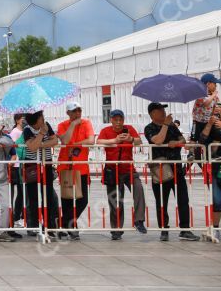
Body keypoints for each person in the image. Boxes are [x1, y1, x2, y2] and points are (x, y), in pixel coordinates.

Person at [143, 102, 199, 241]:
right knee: (162, 201)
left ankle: (185, 229)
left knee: (183, 199)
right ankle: (164, 229)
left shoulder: (173, 126)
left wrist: (176, 141)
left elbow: (182, 140)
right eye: (160, 110)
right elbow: (157, 140)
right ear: (153, 114)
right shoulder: (149, 128)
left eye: (163, 109)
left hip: (176, 167)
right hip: (161, 169)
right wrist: (166, 126)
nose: (163, 112)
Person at [96, 109, 147, 240]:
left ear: (123, 120)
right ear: (111, 120)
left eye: (120, 120)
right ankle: (116, 229)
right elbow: (99, 141)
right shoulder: (106, 131)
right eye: (115, 119)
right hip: (113, 170)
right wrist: (115, 140)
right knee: (115, 201)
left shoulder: (129, 128)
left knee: (139, 189)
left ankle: (139, 220)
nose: (118, 122)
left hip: (129, 168)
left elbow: (139, 141)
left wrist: (130, 139)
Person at [56, 102, 95, 239]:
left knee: (83, 200)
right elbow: (65, 141)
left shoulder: (86, 123)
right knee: (67, 199)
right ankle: (71, 227)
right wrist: (72, 125)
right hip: (66, 166)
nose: (78, 113)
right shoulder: (62, 125)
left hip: (81, 167)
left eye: (79, 110)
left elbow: (91, 140)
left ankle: (61, 223)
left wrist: (75, 145)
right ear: (68, 113)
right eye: (74, 111)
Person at [22, 110, 59, 237]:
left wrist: (40, 144)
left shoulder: (47, 125)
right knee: (32, 197)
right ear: (36, 119)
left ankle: (49, 226)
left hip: (46, 163)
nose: (43, 118)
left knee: (48, 195)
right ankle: (33, 225)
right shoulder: (27, 129)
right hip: (32, 165)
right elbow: (31, 147)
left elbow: (55, 141)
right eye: (41, 116)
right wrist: (42, 134)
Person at [198, 101, 221, 240]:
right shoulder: (208, 126)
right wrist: (209, 124)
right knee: (218, 201)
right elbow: (202, 140)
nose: (219, 112)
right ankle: (215, 228)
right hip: (217, 169)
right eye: (217, 110)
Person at [191, 73, 221, 162]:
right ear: (208, 84)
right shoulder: (200, 94)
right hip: (197, 121)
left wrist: (215, 116)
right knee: (194, 137)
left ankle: (213, 154)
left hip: (207, 121)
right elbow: (206, 103)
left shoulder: (214, 97)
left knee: (218, 136)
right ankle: (191, 153)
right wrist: (213, 96)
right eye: (214, 84)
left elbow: (214, 108)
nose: (216, 86)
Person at [8, 113, 26, 229]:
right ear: (17, 120)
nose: (24, 121)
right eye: (22, 119)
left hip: (21, 165)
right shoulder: (15, 132)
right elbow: (13, 147)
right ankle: (14, 217)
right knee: (16, 193)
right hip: (15, 166)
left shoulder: (24, 131)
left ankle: (18, 216)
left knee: (21, 193)